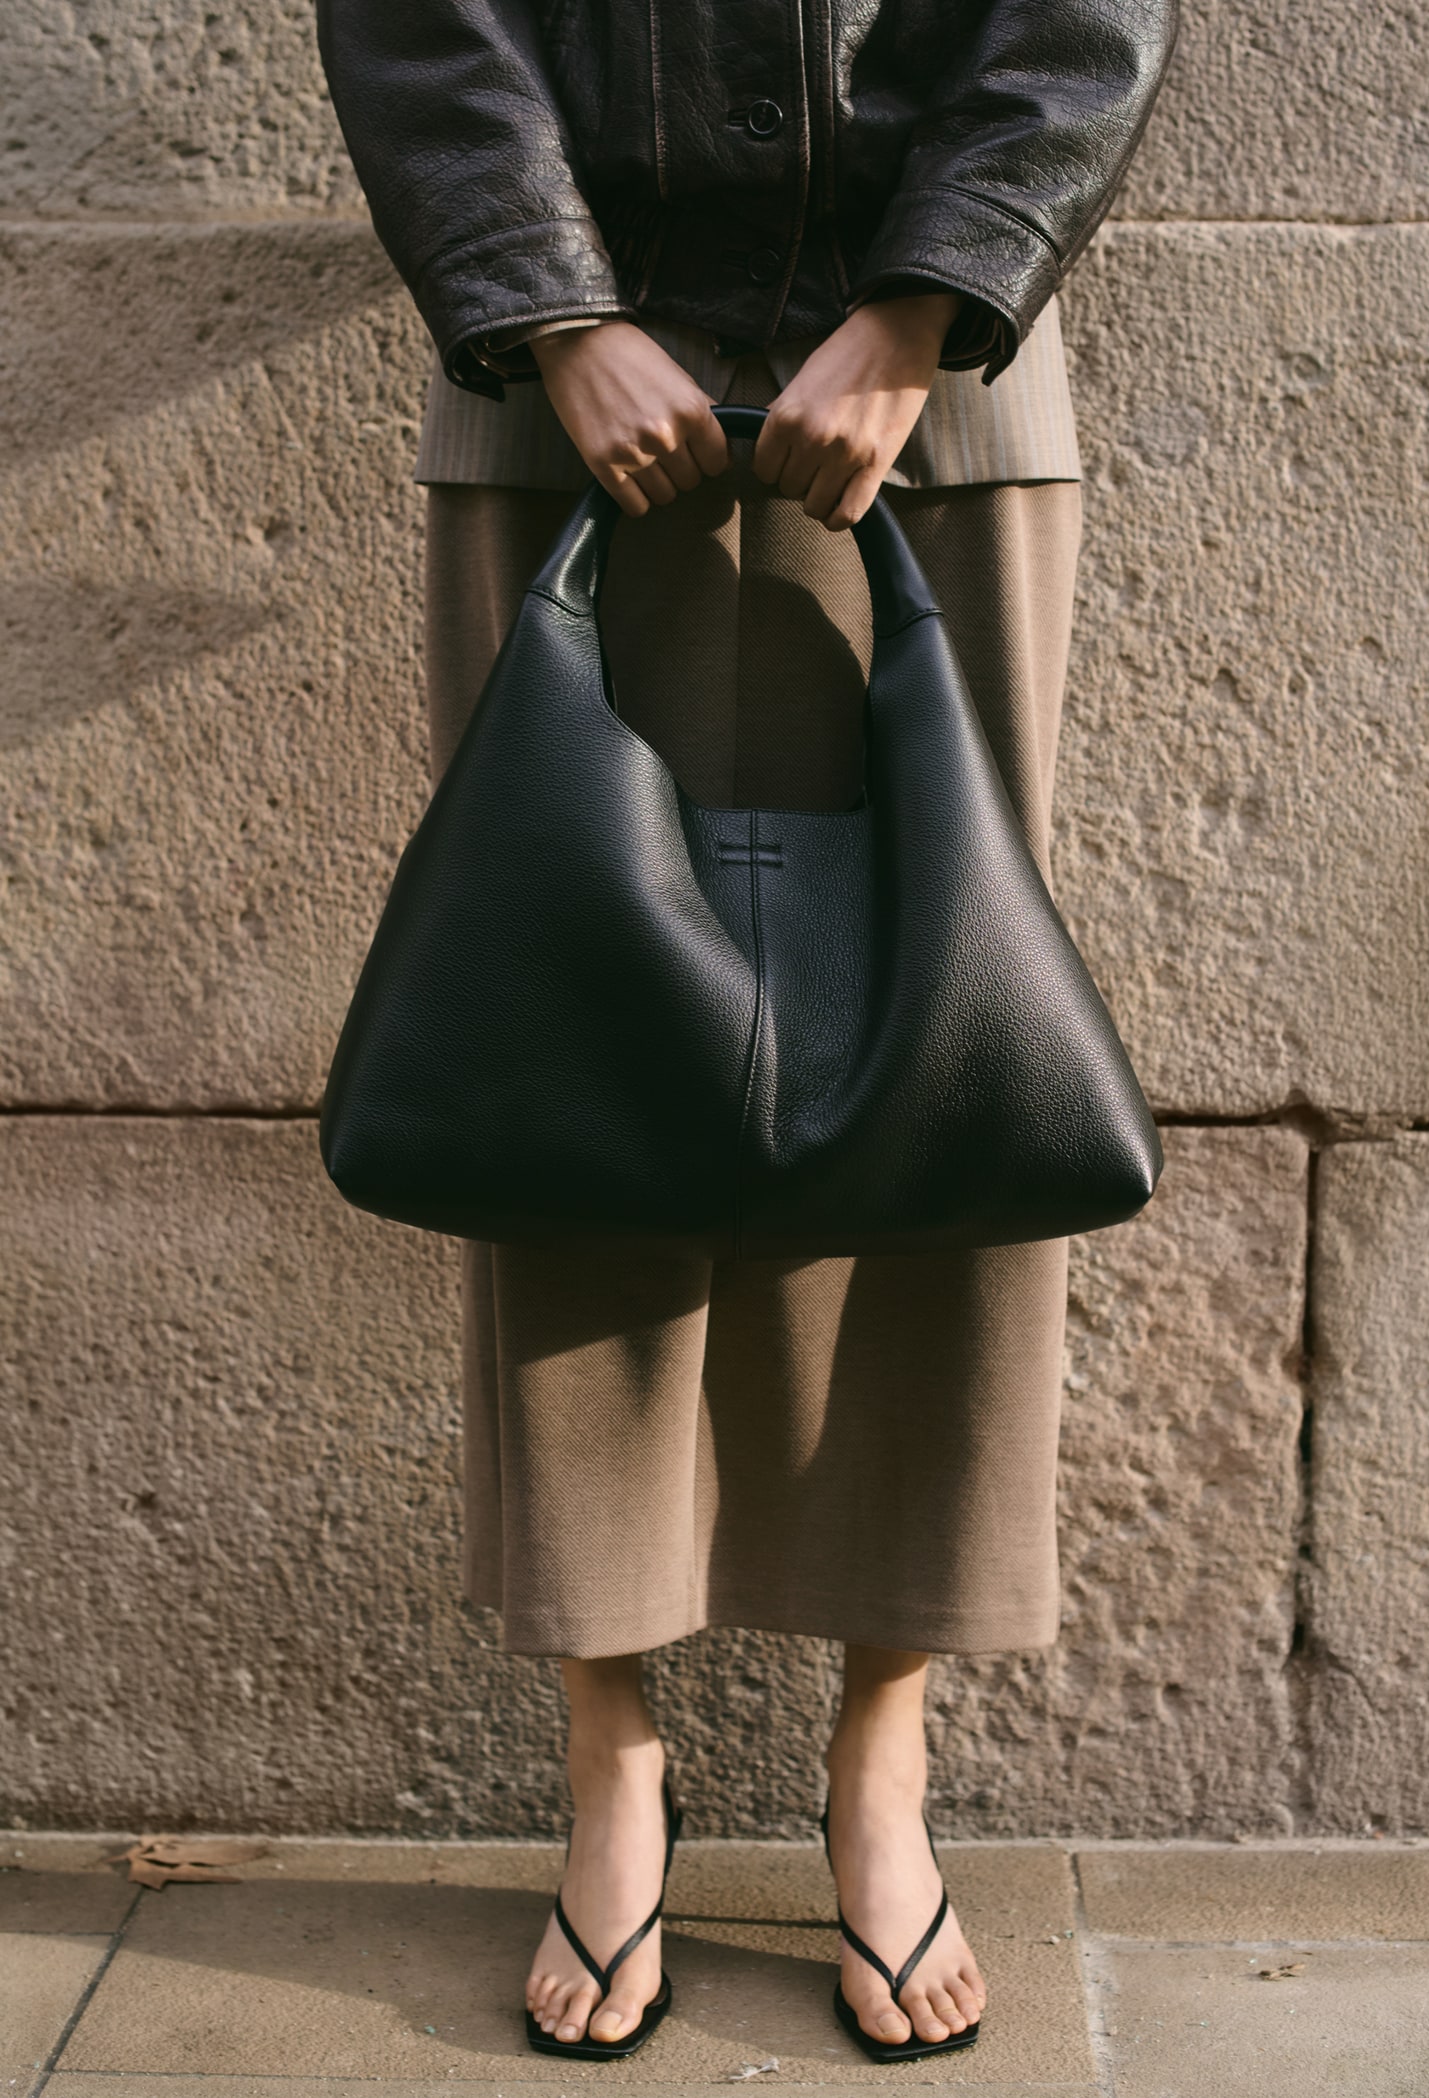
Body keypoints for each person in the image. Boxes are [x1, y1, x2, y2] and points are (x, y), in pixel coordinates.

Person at [317, 0, 1177, 2063]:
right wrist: (552, 316)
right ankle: (610, 1753)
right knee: (568, 1093)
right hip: (561, 396)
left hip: (935, 383)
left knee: (948, 1102)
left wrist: (915, 309)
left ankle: (884, 1762)